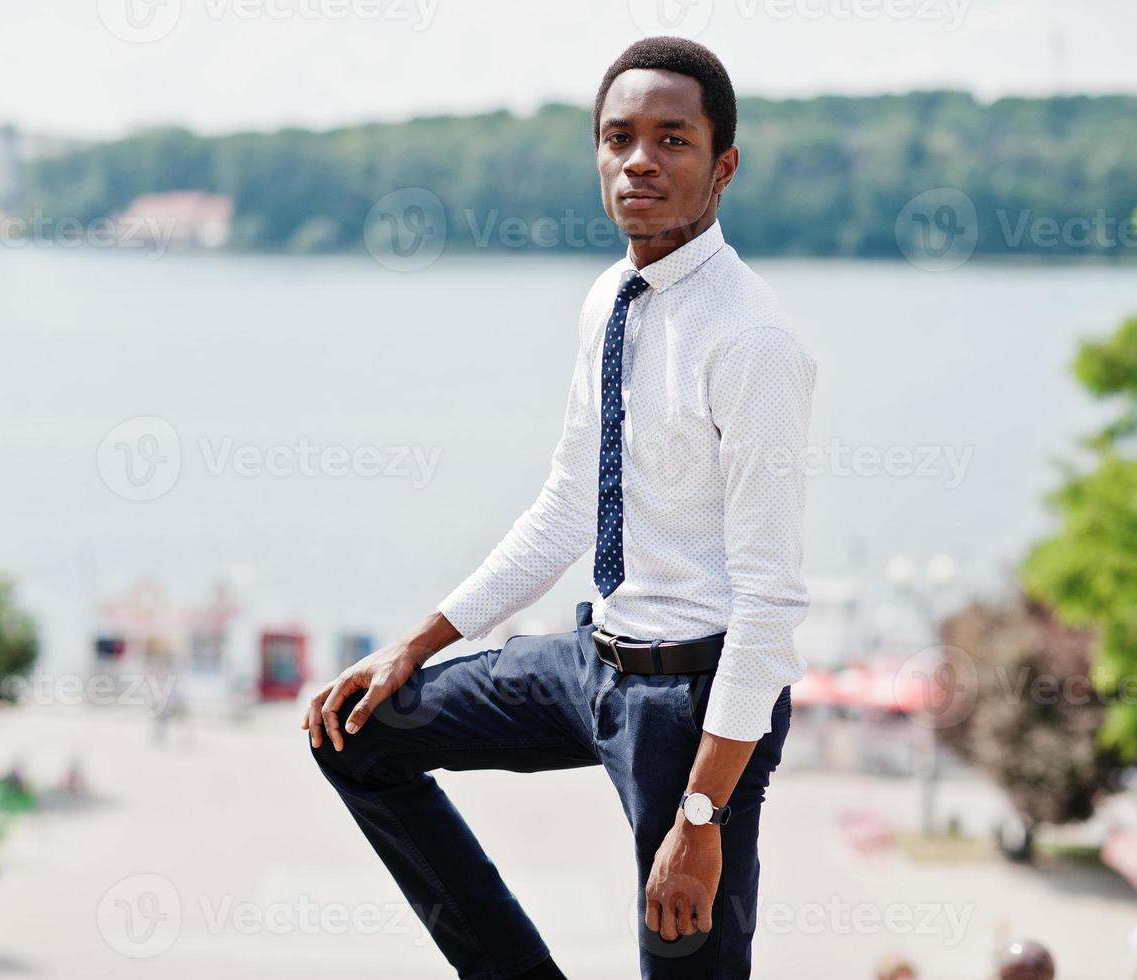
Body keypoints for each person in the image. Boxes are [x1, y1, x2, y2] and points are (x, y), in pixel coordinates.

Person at [303, 35, 816, 979]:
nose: (639, 162)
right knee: (357, 735)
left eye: (672, 140)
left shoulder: (752, 341)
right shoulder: (609, 300)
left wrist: (699, 818)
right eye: (619, 138)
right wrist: (412, 646)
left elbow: (772, 606)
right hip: (590, 666)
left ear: (722, 166)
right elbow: (565, 509)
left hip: (695, 708)